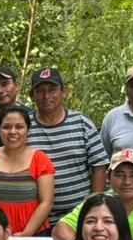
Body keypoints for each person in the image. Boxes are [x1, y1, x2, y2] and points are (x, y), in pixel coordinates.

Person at [25, 67, 107, 227]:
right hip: (35, 219)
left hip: (78, 216)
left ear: (64, 92)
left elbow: (99, 165)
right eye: (40, 90)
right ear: (32, 96)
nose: (46, 96)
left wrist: (95, 206)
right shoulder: (24, 126)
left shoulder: (82, 123)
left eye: (52, 89)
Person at [0, 105, 55, 236]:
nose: (12, 132)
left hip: (34, 233)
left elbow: (46, 202)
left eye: (19, 127)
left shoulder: (40, 159)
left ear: (28, 130)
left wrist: (27, 233)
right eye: (6, 127)